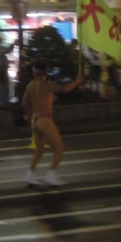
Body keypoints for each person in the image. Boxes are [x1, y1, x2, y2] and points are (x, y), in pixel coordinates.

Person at [21, 59, 83, 187]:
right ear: (45, 73)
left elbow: (24, 103)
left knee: (39, 150)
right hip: (44, 120)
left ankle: (30, 175)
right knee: (59, 149)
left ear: (34, 73)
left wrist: (29, 116)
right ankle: (51, 175)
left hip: (35, 120)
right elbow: (65, 89)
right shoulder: (47, 85)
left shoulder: (30, 85)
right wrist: (77, 81)